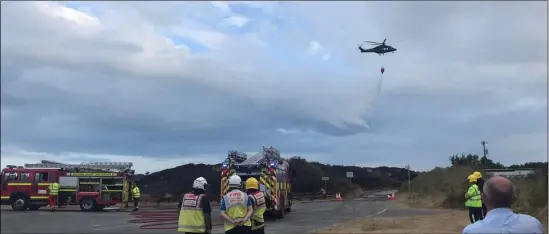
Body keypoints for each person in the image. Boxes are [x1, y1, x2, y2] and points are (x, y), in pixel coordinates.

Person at [462, 176, 544, 234]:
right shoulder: (533, 225)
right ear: (514, 199)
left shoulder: (471, 231)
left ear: (483, 198)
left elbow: (468, 195)